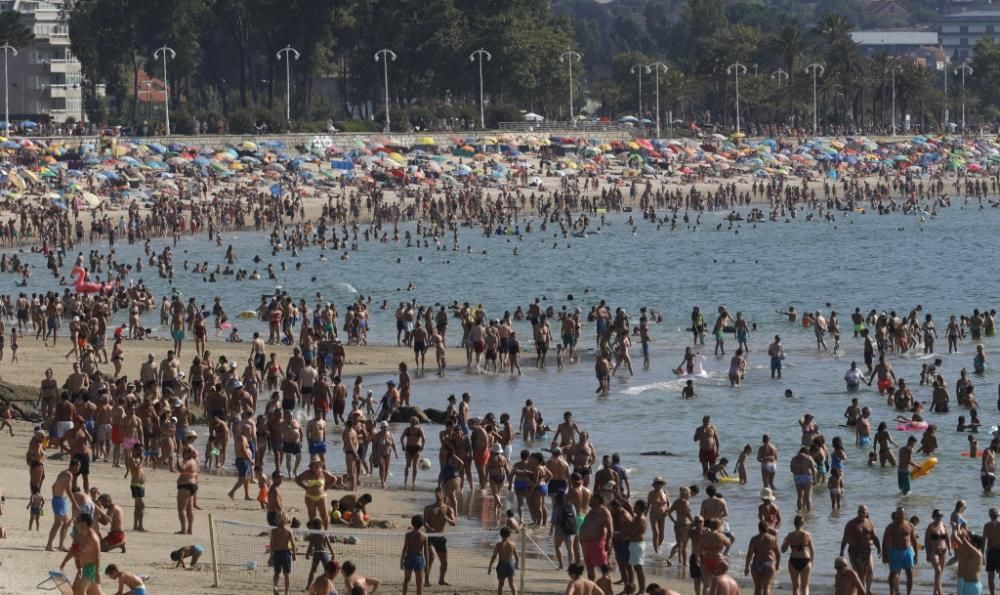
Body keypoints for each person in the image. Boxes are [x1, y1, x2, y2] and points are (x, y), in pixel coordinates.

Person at [840, 505, 881, 595]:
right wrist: (842, 551)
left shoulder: (870, 523)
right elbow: (845, 538)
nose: (861, 513)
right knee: (861, 573)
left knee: (870, 570)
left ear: (867, 512)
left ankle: (867, 590)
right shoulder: (851, 524)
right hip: (855, 551)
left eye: (863, 512)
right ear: (857, 512)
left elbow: (874, 537)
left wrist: (879, 548)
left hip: (867, 551)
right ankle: (861, 592)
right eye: (859, 511)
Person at [882, 507, 918, 595]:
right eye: (898, 514)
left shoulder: (909, 525)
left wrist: (916, 554)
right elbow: (885, 541)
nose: (900, 515)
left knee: (910, 573)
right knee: (893, 573)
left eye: (901, 514)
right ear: (896, 514)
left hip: (908, 551)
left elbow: (913, 540)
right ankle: (892, 592)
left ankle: (909, 593)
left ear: (905, 515)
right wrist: (884, 554)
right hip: (895, 551)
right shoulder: (890, 527)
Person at [781, 516, 814, 595]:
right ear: (803, 523)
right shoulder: (807, 535)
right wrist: (811, 563)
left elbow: (783, 550)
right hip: (805, 560)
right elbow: (813, 551)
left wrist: (785, 540)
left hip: (793, 561)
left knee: (795, 587)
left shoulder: (790, 535)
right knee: (805, 586)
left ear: (794, 524)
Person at [745, 521, 780, 595]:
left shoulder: (754, 539)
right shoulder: (773, 539)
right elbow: (778, 553)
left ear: (759, 528)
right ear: (767, 528)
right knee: (766, 587)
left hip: (756, 564)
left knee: (758, 587)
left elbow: (749, 554)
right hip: (769, 564)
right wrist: (777, 565)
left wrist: (746, 567)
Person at [401, 515, 429, 595]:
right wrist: (427, 565)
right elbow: (426, 552)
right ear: (422, 524)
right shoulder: (424, 536)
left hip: (409, 557)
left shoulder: (408, 535)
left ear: (412, 523)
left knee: (406, 580)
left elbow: (404, 549)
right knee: (419, 583)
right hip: (419, 558)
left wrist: (401, 560)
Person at [270, 511, 297, 595]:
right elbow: (293, 544)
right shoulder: (289, 531)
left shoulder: (274, 531)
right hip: (286, 554)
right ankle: (286, 592)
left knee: (277, 573)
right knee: (286, 574)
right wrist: (294, 554)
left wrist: (271, 556)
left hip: (277, 553)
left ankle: (275, 586)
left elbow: (272, 545)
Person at [488, 526, 519, 595]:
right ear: (509, 534)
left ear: (500, 534)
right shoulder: (513, 544)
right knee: (512, 584)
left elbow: (494, 556)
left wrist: (490, 566)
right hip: (510, 564)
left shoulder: (498, 545)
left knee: (501, 585)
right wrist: (516, 564)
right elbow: (517, 557)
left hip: (502, 565)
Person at [956, 526, 985, 595]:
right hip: (967, 584)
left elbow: (966, 543)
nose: (970, 542)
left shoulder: (978, 554)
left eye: (971, 542)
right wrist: (964, 531)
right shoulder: (973, 553)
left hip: (973, 585)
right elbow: (966, 544)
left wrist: (962, 534)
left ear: (975, 544)